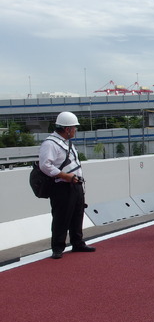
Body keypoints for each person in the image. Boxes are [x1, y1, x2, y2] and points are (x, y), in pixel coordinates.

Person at [38, 111, 95, 259]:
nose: (75, 130)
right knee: (61, 217)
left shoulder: (65, 142)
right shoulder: (50, 144)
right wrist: (65, 176)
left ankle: (77, 242)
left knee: (77, 213)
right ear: (67, 129)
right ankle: (58, 247)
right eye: (74, 128)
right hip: (61, 186)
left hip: (75, 184)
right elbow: (45, 166)